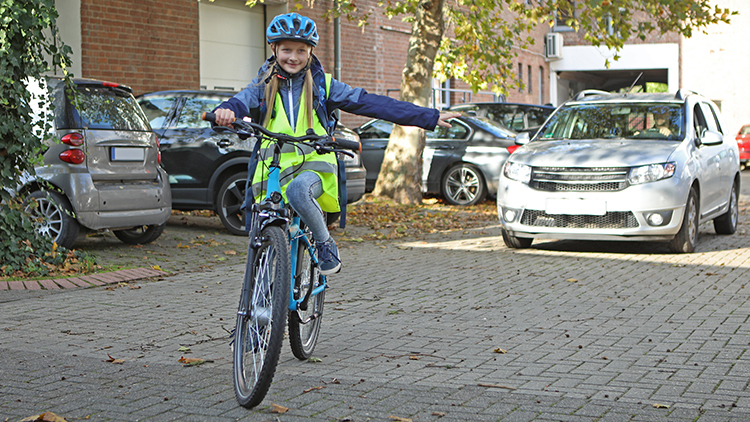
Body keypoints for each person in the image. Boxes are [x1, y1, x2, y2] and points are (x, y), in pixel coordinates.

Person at [213, 12, 458, 276]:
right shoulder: (262, 85)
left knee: (297, 191)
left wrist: (428, 116)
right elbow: (237, 103)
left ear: (310, 52)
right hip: (272, 170)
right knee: (264, 226)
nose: (293, 57)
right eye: (286, 50)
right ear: (274, 49)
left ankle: (323, 242)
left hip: (313, 169)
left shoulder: (323, 86)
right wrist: (225, 112)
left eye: (300, 50)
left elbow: (373, 104)